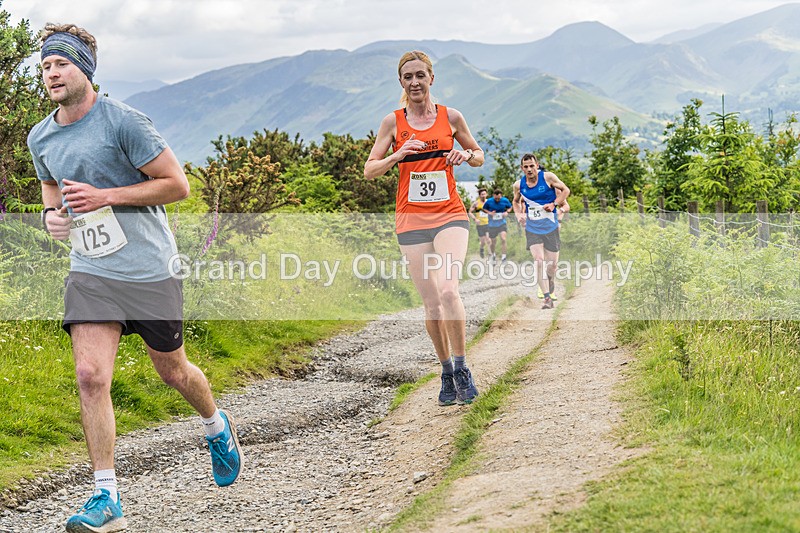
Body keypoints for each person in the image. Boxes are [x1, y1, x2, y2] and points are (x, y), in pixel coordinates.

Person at [28, 23, 242, 532]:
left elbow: (178, 186)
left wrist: (107, 196)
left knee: (173, 372)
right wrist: (51, 219)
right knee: (90, 376)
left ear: (85, 68)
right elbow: (51, 201)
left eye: (60, 63)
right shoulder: (41, 136)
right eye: (44, 67)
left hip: (149, 270)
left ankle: (216, 427)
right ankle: (107, 499)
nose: (51, 73)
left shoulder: (124, 123)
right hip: (91, 271)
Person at [364, 50, 484, 407]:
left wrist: (466, 155)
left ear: (431, 78)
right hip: (411, 220)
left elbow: (478, 154)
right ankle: (445, 371)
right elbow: (370, 170)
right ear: (401, 83)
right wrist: (397, 155)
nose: (414, 82)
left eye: (420, 75)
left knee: (449, 290)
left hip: (449, 214)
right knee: (431, 304)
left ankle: (462, 368)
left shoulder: (451, 117)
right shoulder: (393, 123)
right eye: (407, 77)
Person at [513, 153, 570, 309]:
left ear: (537, 165)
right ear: (522, 168)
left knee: (552, 265)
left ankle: (549, 282)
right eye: (526, 167)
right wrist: (519, 215)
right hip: (532, 228)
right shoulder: (519, 185)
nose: (529, 169)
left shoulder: (548, 178)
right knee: (538, 260)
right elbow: (515, 201)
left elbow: (566, 190)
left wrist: (555, 205)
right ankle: (546, 298)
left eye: (532, 166)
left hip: (551, 227)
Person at [481, 189, 513, 263]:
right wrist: (490, 213)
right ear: (493, 196)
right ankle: (493, 255)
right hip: (492, 225)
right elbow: (484, 209)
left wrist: (507, 212)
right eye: (496, 198)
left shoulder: (505, 200)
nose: (497, 200)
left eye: (499, 198)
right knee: (493, 242)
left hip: (502, 223)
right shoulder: (489, 201)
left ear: (501, 196)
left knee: (503, 239)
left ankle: (504, 257)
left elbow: (510, 207)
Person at [469, 187, 491, 258]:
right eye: (482, 194)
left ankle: (490, 254)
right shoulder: (476, 203)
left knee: (488, 239)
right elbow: (470, 212)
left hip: (488, 223)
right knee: (483, 242)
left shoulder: (489, 202)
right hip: (480, 225)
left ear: (486, 194)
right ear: (479, 195)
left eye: (484, 194)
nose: (483, 195)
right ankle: (481, 249)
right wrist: (475, 219)